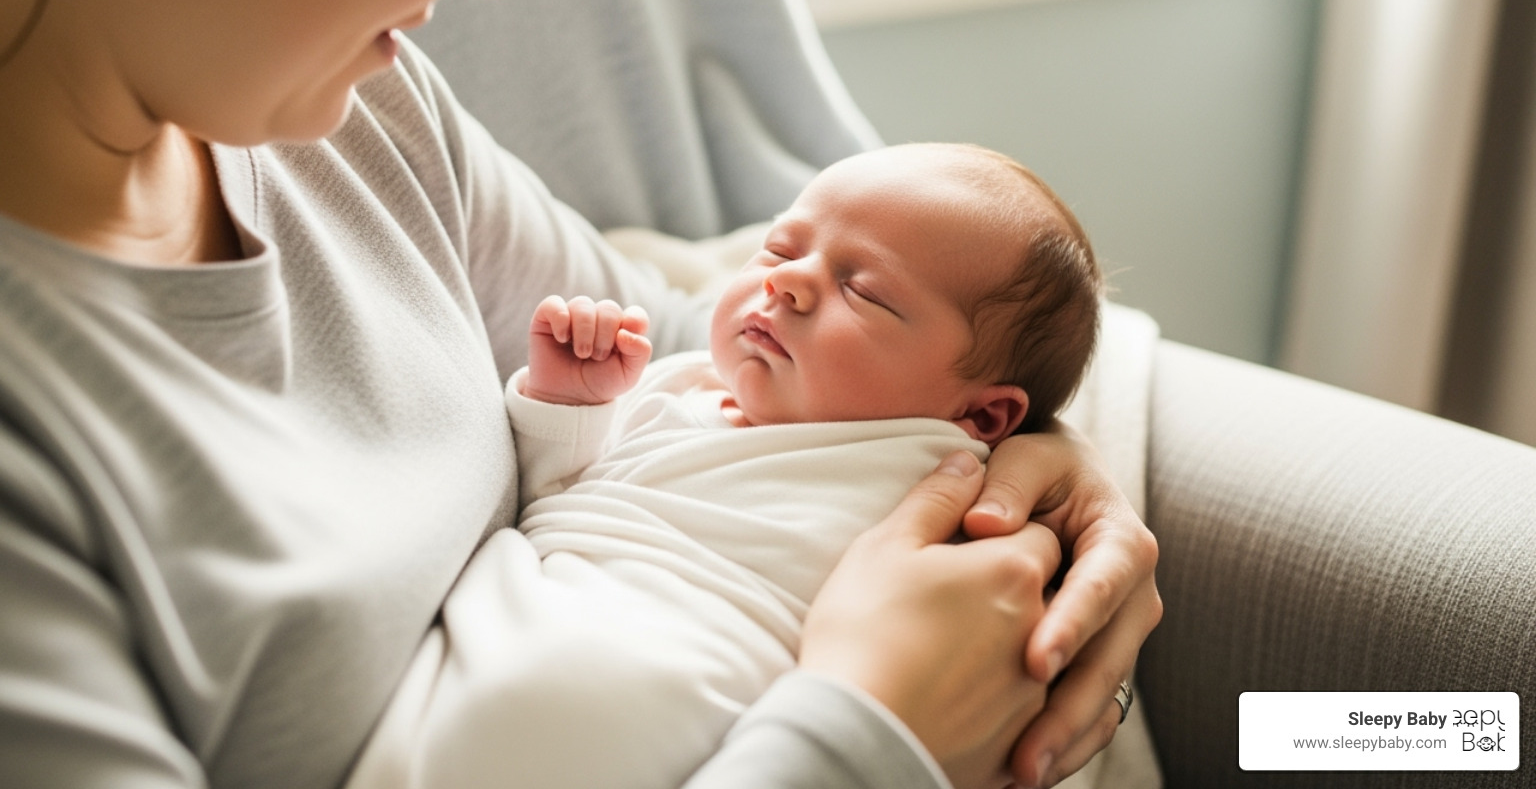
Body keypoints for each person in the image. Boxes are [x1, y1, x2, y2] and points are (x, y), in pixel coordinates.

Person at [0, 0, 1161, 788]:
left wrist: (1033, 462)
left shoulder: (357, 114)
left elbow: (686, 358)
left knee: (1331, 734)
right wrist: (870, 730)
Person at [347, 141, 1103, 789]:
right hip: (494, 650)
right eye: (778, 248)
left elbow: (986, 649)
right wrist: (569, 411)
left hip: (693, 706)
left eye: (863, 291)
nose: (787, 280)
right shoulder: (677, 383)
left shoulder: (944, 485)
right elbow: (559, 504)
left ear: (982, 415)